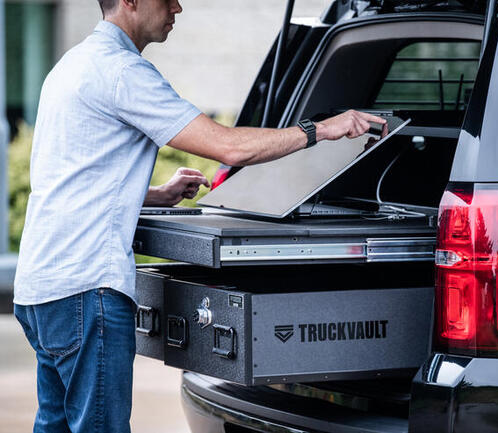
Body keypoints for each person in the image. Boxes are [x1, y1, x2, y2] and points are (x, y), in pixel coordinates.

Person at [12, 0, 386, 431]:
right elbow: (230, 147)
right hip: (85, 291)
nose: (177, 6)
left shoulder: (71, 66)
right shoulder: (122, 72)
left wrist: (157, 194)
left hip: (41, 289)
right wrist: (320, 129)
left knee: (54, 425)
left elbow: (65, 179)